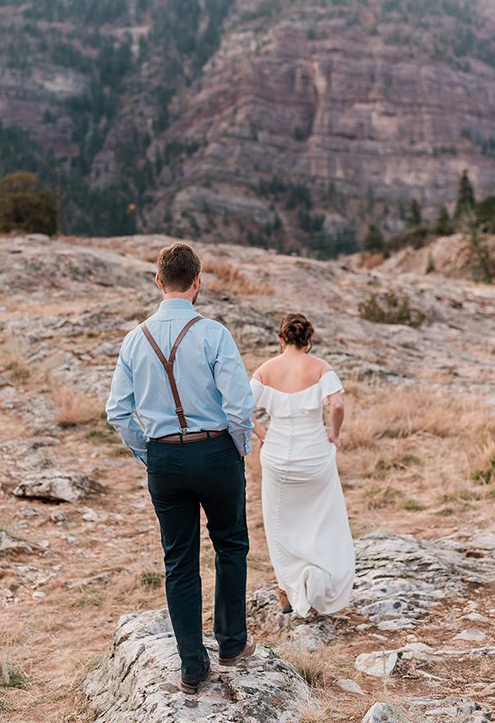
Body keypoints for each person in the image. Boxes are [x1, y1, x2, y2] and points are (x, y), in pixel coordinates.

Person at [104, 242, 255, 694]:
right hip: (215, 452)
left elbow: (117, 412)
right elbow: (240, 405)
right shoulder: (214, 334)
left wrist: (149, 454)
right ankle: (231, 644)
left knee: (179, 560)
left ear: (158, 282)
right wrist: (237, 447)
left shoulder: (135, 339)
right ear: (197, 282)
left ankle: (192, 666)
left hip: (164, 459)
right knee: (231, 546)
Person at [251, 313, 353, 617]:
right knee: (322, 521)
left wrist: (261, 433)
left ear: (281, 339)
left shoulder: (266, 370)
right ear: (308, 341)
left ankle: (286, 587)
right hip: (314, 456)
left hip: (278, 454)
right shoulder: (321, 368)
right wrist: (334, 435)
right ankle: (319, 583)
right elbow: (337, 404)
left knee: (280, 523)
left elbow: (237, 408)